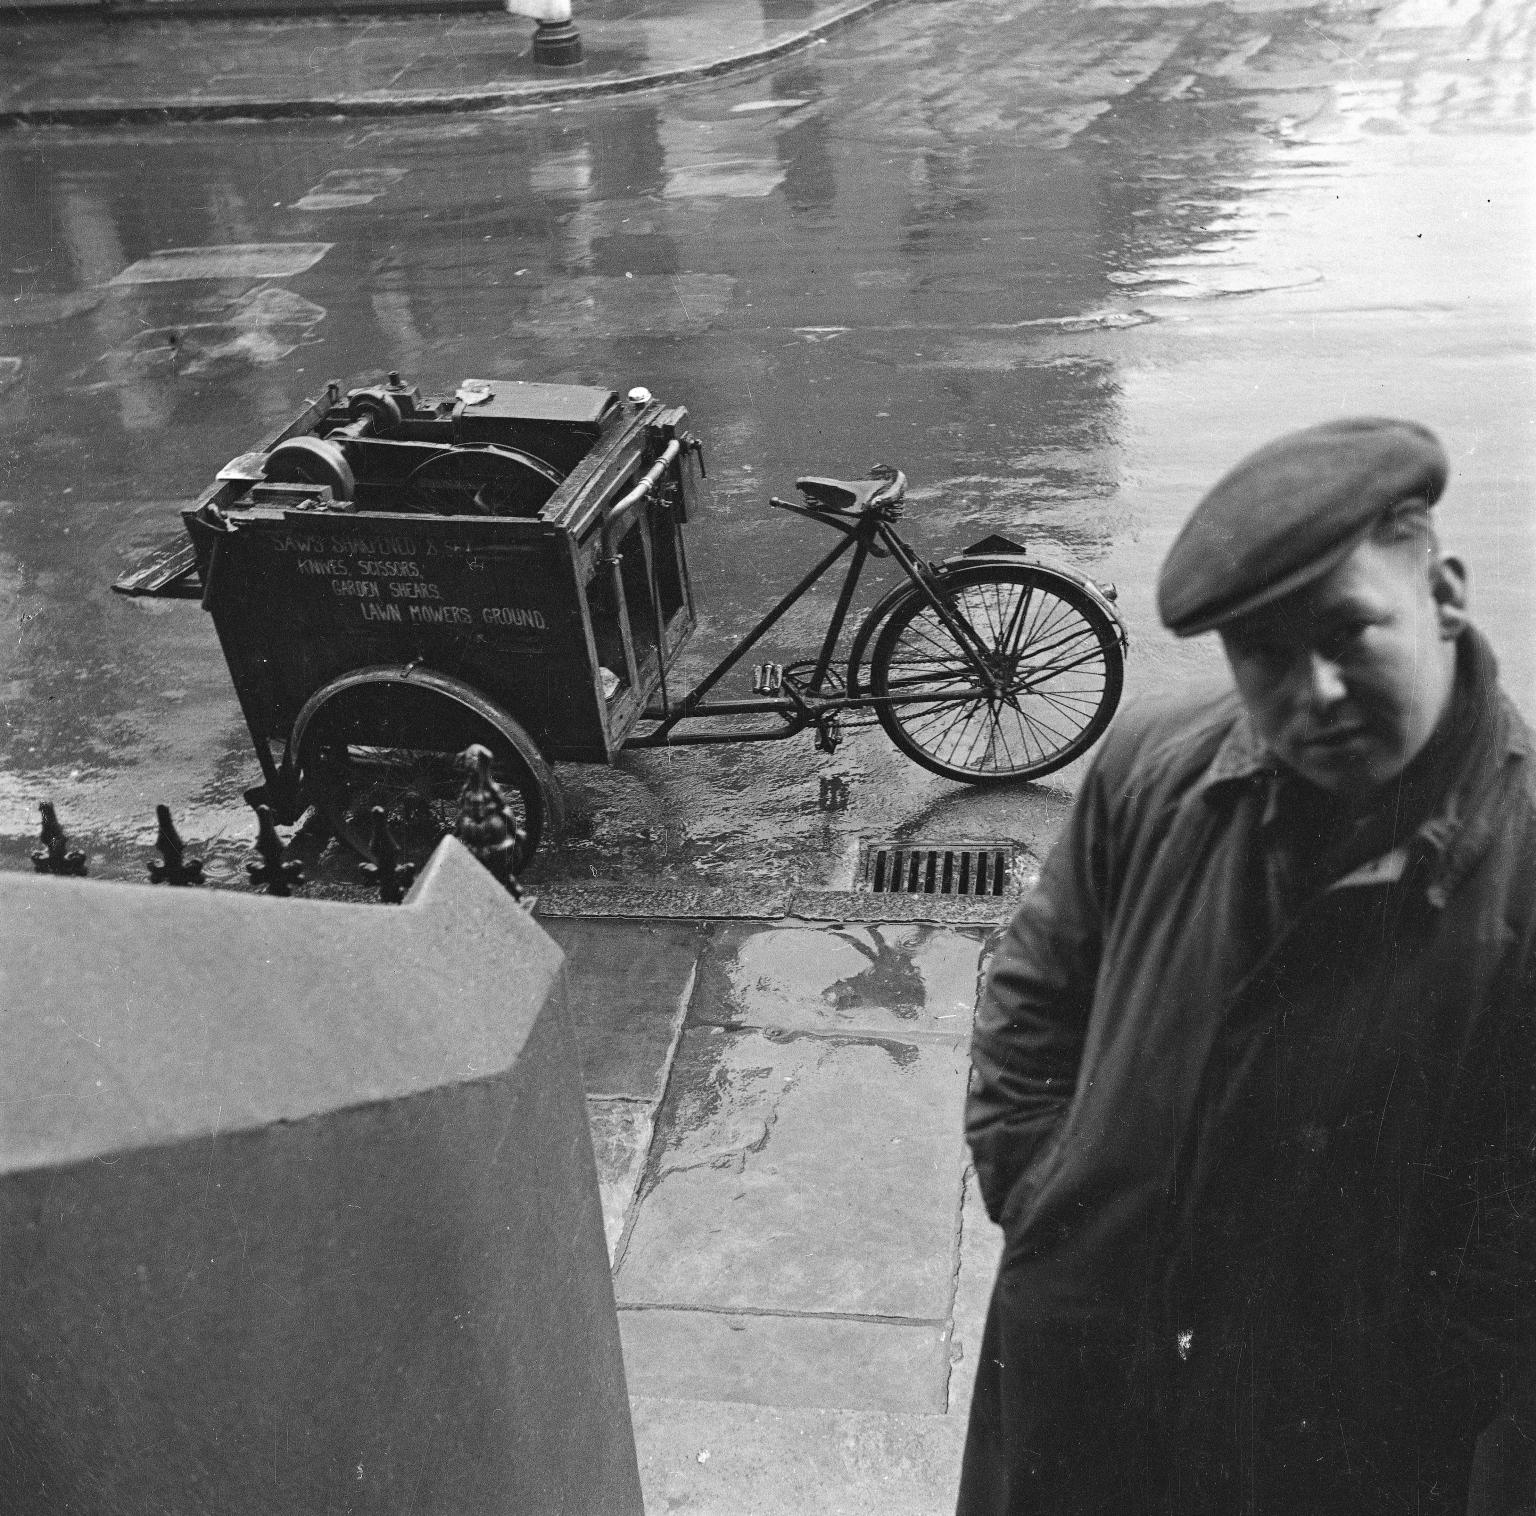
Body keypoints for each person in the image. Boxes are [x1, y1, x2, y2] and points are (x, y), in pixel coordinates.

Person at [957, 418, 1535, 1516]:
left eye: (1349, 631)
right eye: (1265, 654)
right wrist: (1042, 1199)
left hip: (1326, 1452)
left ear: (1447, 598)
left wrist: (1422, 1394)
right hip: (1083, 1376)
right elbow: (1034, 992)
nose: (1312, 690)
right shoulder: (1152, 766)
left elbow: (1514, 1262)